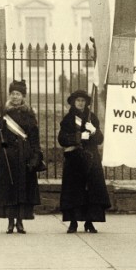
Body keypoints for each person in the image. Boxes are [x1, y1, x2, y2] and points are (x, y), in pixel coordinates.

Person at [0, 80, 43, 233]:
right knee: (8, 189)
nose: (15, 97)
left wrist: (35, 155)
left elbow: (34, 136)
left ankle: (20, 222)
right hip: (6, 155)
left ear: (23, 96)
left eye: (18, 94)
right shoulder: (2, 113)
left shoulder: (29, 114)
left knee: (22, 189)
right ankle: (10, 222)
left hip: (23, 155)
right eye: (12, 94)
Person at [57, 89, 110, 233]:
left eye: (83, 101)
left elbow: (99, 140)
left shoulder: (92, 118)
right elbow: (62, 139)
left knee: (90, 191)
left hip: (91, 159)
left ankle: (89, 222)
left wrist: (93, 131)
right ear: (74, 102)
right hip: (74, 159)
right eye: (78, 100)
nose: (80, 103)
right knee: (74, 191)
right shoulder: (68, 119)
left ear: (86, 102)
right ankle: (73, 222)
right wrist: (78, 137)